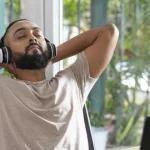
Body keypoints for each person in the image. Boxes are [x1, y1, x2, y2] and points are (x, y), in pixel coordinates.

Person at [0, 19, 119, 150]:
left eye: (38, 34)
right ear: (6, 54)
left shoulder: (72, 80)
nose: (32, 38)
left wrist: (50, 53)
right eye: (21, 36)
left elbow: (108, 33)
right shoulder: (4, 88)